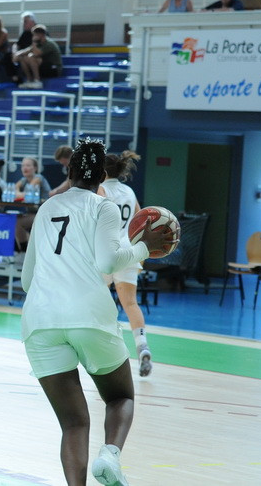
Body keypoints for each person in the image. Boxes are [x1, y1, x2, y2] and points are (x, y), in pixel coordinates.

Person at [20, 139, 172, 486]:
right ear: (102, 177)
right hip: (87, 313)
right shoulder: (103, 206)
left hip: (40, 320)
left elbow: (28, 280)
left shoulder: (47, 207)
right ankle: (110, 456)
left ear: (69, 172)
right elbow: (107, 262)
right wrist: (144, 248)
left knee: (73, 423)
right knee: (120, 397)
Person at [97, 151, 152, 377]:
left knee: (99, 302)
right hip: (129, 251)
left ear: (102, 171)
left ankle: (106, 350)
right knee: (130, 303)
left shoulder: (101, 190)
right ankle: (142, 346)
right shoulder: (129, 191)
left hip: (107, 251)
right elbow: (140, 220)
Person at [14, 157, 52, 251]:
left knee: (18, 222)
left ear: (35, 168)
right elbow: (14, 190)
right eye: (23, 165)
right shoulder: (24, 180)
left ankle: (24, 250)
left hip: (45, 213)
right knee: (16, 219)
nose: (24, 168)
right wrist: (19, 194)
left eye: (28, 165)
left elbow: (27, 193)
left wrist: (19, 194)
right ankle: (24, 249)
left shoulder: (38, 178)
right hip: (33, 212)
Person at [17, 24, 63, 89]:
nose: (33, 36)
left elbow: (36, 54)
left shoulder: (49, 43)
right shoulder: (38, 44)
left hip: (54, 69)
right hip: (43, 68)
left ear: (41, 34)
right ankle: (29, 80)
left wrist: (34, 42)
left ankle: (37, 81)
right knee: (23, 58)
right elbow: (27, 50)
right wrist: (16, 55)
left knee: (31, 57)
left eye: (35, 34)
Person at [9, 11, 37, 83]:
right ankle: (14, 78)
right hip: (22, 54)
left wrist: (19, 53)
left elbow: (34, 47)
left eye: (25, 22)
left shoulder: (38, 31)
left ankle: (32, 79)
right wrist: (14, 52)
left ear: (32, 22)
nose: (23, 24)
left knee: (25, 58)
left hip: (35, 56)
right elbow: (16, 44)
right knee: (7, 56)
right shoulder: (25, 33)